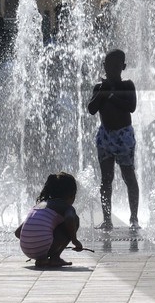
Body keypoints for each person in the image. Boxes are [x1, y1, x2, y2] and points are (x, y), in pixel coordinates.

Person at [87, 48, 139, 231]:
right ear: (103, 66)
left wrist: (110, 95)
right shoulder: (99, 87)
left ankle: (134, 218)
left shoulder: (127, 86)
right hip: (106, 136)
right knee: (106, 179)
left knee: (128, 176)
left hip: (123, 135)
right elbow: (91, 109)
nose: (110, 70)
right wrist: (102, 93)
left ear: (123, 67)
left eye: (115, 66)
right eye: (107, 66)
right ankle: (107, 219)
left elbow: (131, 107)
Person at [16, 172, 83, 268]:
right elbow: (70, 218)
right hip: (42, 247)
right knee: (75, 220)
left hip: (26, 249)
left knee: (51, 225)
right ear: (72, 195)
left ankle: (42, 258)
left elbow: (18, 232)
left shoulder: (39, 205)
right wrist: (74, 240)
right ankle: (55, 258)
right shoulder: (66, 207)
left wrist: (32, 241)